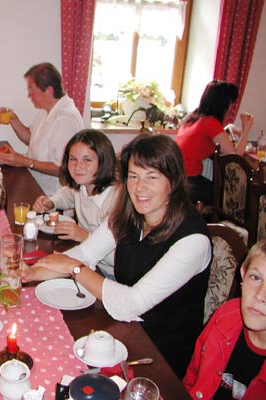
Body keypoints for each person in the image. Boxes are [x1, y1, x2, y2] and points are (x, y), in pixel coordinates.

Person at [22, 134, 212, 378]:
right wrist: (31, 272)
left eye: (151, 177)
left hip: (159, 354)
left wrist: (75, 269)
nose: (139, 187)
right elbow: (85, 253)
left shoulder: (192, 240)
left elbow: (131, 303)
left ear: (174, 181)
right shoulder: (128, 213)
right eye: (133, 176)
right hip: (121, 328)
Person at [183, 235, 266, 398]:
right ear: (243, 273)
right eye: (255, 278)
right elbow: (192, 377)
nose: (260, 295)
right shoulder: (226, 316)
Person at [32, 129, 117, 277]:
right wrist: (51, 202)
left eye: (87, 160)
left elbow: (119, 258)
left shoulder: (115, 201)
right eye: (73, 159)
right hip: (86, 260)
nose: (78, 166)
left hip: (109, 274)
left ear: (104, 161)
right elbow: (67, 194)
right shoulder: (83, 185)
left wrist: (84, 236)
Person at [0, 62, 84, 195]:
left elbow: (63, 168)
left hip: (51, 195)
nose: (29, 95)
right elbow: (29, 138)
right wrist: (13, 119)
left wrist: (25, 162)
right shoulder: (47, 110)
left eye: (31, 90)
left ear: (48, 90)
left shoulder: (65, 119)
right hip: (33, 183)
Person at [175, 80, 254, 205]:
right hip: (189, 183)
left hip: (177, 178)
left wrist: (228, 128)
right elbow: (235, 157)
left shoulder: (194, 117)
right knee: (230, 197)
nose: (230, 108)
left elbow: (207, 138)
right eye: (230, 104)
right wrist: (247, 129)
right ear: (223, 104)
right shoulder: (211, 123)